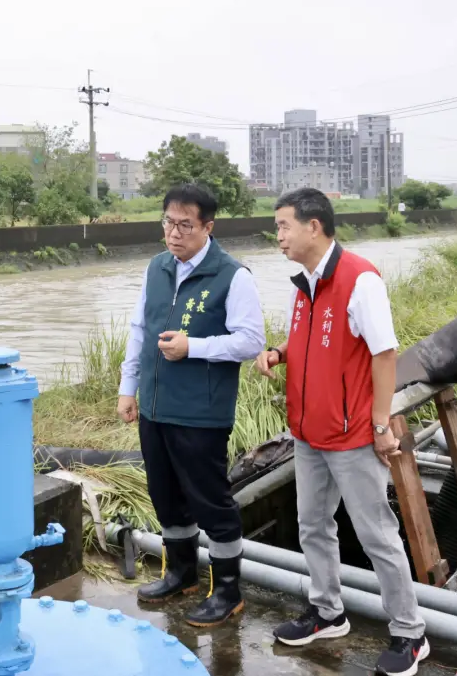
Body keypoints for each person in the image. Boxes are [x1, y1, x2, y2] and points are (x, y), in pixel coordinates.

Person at [255, 187, 429, 676]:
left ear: (314, 226)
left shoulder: (360, 279)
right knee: (312, 524)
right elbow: (312, 342)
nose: (279, 237)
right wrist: (279, 352)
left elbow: (384, 354)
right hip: (309, 433)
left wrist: (379, 426)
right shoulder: (304, 282)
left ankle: (410, 634)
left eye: (283, 226)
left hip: (353, 436)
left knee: (377, 534)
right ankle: (327, 612)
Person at [116, 182, 266, 627]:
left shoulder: (232, 275)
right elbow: (139, 330)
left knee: (211, 502)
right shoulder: (157, 268)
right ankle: (181, 574)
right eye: (168, 222)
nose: (174, 233)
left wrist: (193, 347)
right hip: (155, 408)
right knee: (166, 498)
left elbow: (251, 340)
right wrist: (129, 388)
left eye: (185, 225)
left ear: (208, 227)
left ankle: (227, 590)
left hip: (200, 412)